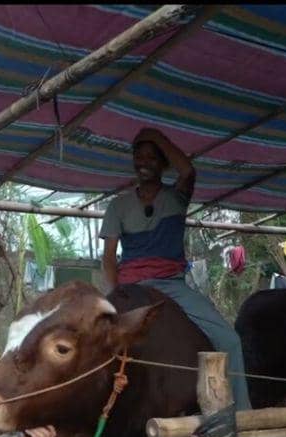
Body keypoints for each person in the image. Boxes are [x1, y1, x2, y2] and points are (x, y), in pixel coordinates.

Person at [99, 127, 251, 411]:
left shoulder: (177, 197)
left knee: (229, 340)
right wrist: (113, 295)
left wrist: (155, 137)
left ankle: (244, 418)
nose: (144, 162)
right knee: (85, 345)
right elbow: (108, 258)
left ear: (163, 163)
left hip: (172, 285)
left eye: (152, 157)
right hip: (130, 287)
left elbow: (188, 171)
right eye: (138, 156)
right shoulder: (117, 205)